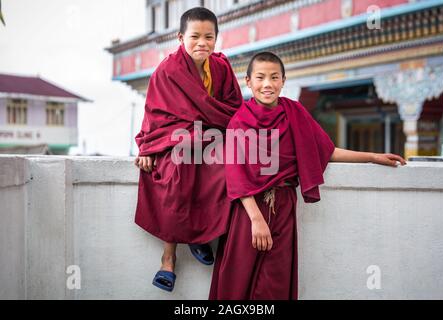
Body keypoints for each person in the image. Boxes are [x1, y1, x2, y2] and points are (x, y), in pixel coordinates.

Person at [209, 52, 406, 300]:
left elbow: (326, 150)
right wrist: (256, 219)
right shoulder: (240, 122)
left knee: (276, 283)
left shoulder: (294, 113)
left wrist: (371, 157)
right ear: (248, 82)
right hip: (248, 212)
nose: (267, 84)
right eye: (260, 77)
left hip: (283, 207)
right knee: (238, 282)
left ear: (283, 81)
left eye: (274, 77)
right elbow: (235, 174)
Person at [134, 7, 242, 292]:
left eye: (209, 37)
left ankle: (199, 235)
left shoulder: (221, 67)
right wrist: (147, 145)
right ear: (181, 38)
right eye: (195, 36)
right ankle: (168, 259)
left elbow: (233, 109)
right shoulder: (168, 70)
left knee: (225, 169)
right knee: (176, 173)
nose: (202, 43)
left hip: (212, 138)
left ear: (216, 39)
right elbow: (155, 113)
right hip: (176, 140)